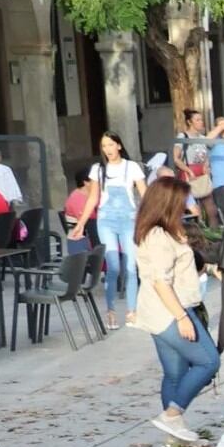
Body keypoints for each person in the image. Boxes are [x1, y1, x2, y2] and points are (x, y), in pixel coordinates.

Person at [131, 179, 219, 445]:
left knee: (175, 373)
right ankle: (173, 414)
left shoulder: (163, 231)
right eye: (183, 202)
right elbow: (161, 281)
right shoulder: (158, 236)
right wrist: (182, 318)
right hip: (170, 311)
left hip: (160, 310)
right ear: (168, 203)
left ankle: (173, 437)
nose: (187, 206)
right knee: (208, 362)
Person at [80, 133, 146, 325]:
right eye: (104, 146)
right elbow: (93, 198)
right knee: (113, 267)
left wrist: (150, 218)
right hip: (106, 220)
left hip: (128, 219)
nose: (107, 149)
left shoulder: (131, 167)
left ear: (118, 145)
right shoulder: (98, 169)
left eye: (110, 144)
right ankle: (110, 311)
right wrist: (81, 223)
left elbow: (145, 195)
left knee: (131, 267)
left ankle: (132, 311)